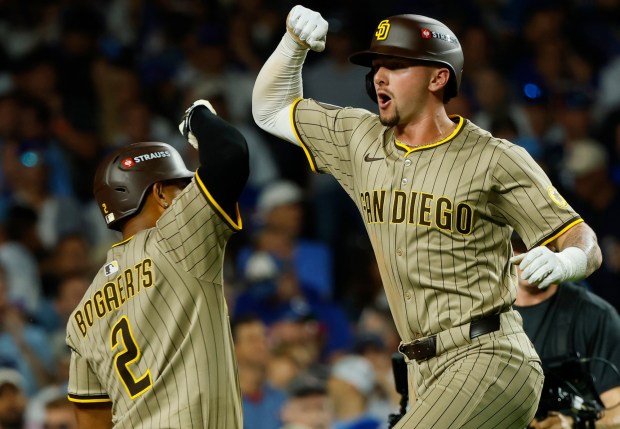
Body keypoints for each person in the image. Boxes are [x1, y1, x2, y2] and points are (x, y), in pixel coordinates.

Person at [252, 6, 603, 428]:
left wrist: (567, 261)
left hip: (489, 356)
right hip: (421, 370)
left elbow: (584, 240)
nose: (379, 76)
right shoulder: (358, 138)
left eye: (396, 65)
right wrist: (293, 44)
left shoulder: (494, 158)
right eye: (377, 65)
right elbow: (270, 109)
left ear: (438, 77)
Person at [65, 99, 249, 428]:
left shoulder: (81, 315)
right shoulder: (177, 239)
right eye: (184, 187)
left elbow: (90, 420)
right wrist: (198, 116)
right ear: (161, 194)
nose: (192, 193)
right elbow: (229, 153)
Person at [512, 236, 620, 429]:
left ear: (556, 248)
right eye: (519, 247)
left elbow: (617, 411)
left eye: (538, 246)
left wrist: (574, 424)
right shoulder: (478, 312)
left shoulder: (594, 315)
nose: (527, 257)